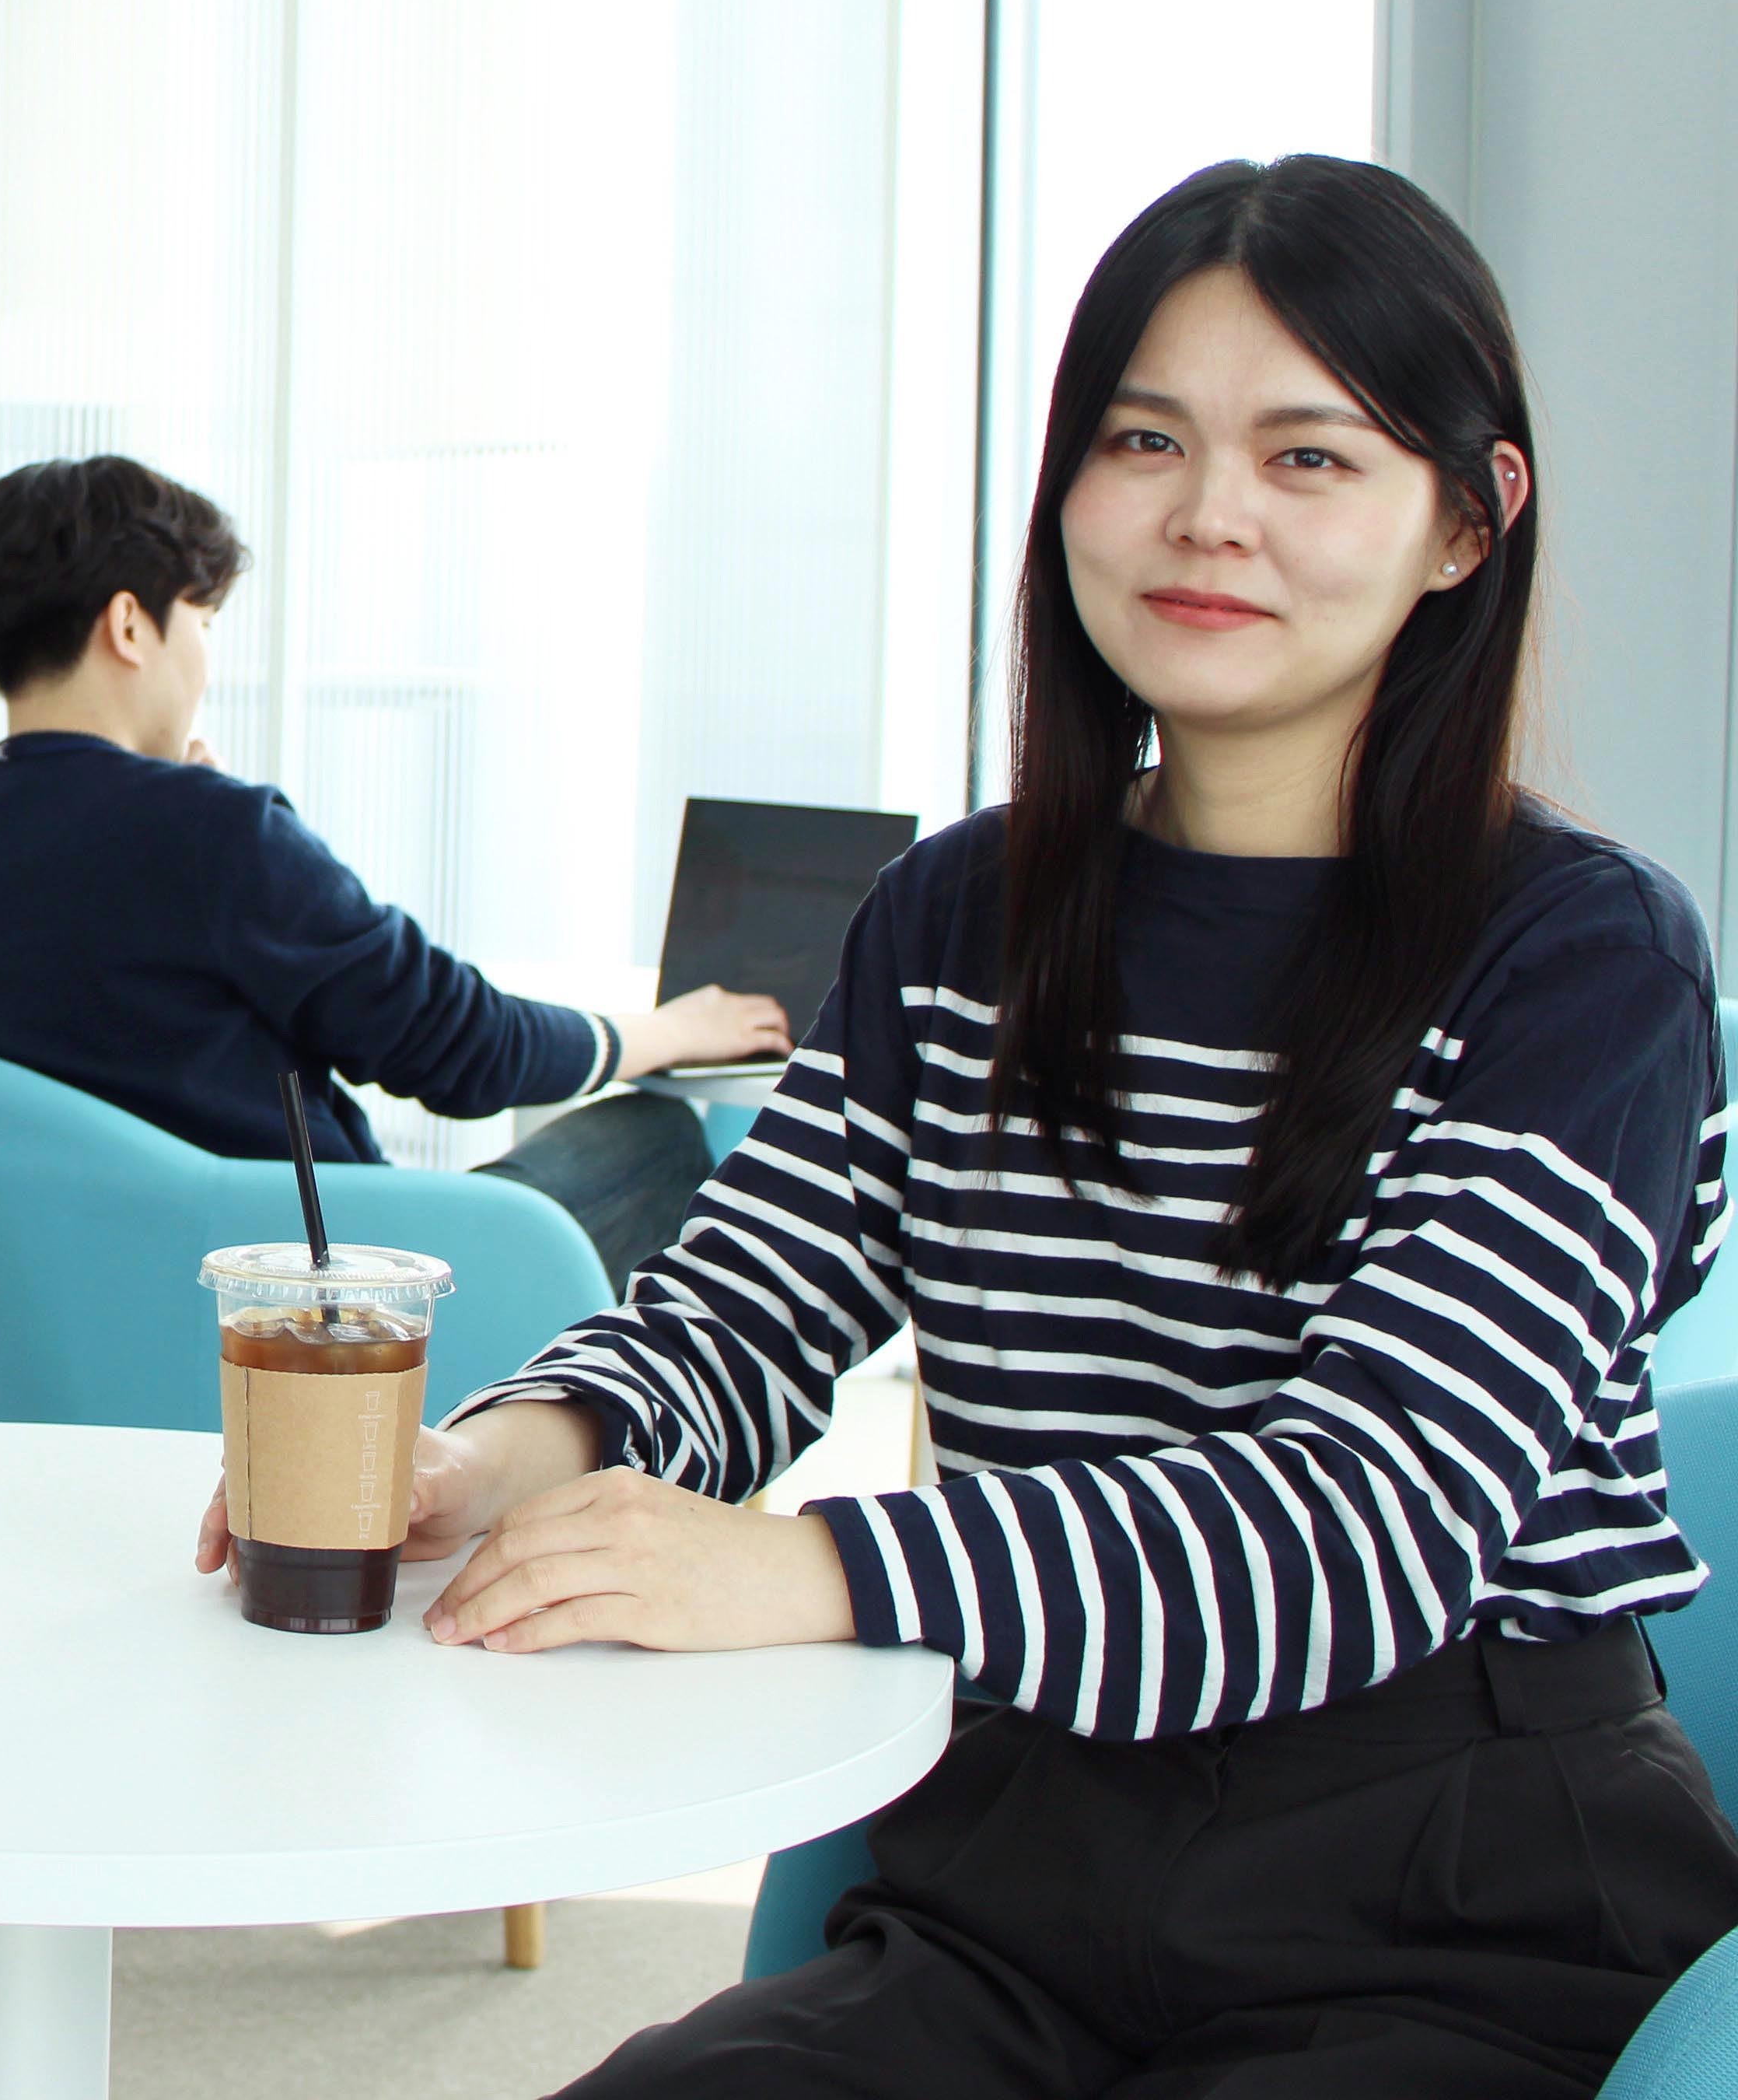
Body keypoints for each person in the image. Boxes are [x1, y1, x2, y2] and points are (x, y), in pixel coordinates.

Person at [296, 154, 1738, 2095]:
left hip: (1453, 1897)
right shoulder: (959, 915)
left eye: (1308, 457)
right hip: (1024, 1860)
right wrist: (504, 1450)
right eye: (1141, 438)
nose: (1205, 513)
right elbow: (748, 1302)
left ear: (1465, 524)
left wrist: (811, 1564)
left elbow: (1370, 1516)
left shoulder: (1582, 959)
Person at [0, 455, 792, 1279]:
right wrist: (668, 1032)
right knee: (662, 1137)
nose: (201, 658)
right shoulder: (214, 837)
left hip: (86, 1304)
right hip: (309, 1300)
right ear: (129, 626)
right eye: (199, 618)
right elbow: (462, 1050)